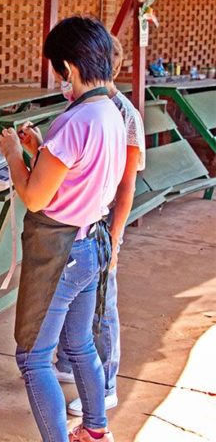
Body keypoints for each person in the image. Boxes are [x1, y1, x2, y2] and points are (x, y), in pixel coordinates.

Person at [0, 16, 126, 442]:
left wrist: (14, 153)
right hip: (91, 245)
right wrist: (41, 150)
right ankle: (94, 430)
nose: (59, 80)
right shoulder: (110, 111)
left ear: (69, 69)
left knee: (33, 358)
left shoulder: (74, 122)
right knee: (80, 346)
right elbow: (72, 175)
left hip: (60, 252)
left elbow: (35, 198)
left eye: (59, 71)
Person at [52, 35, 146, 417]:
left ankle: (105, 383)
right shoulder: (84, 104)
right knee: (68, 293)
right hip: (74, 220)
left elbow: (126, 186)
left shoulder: (123, 115)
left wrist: (116, 237)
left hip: (102, 223)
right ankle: (65, 360)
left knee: (102, 305)